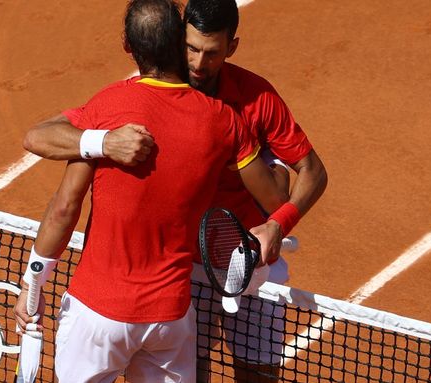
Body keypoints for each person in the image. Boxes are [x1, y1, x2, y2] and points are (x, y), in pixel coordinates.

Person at [23, 0, 328, 381]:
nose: (200, 64)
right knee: (195, 366)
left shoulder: (256, 99)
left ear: (231, 48)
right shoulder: (144, 101)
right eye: (192, 49)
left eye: (212, 53)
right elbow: (39, 135)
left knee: (258, 372)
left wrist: (278, 224)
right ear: (176, 41)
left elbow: (308, 175)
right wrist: (104, 141)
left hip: (247, 262)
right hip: (183, 271)